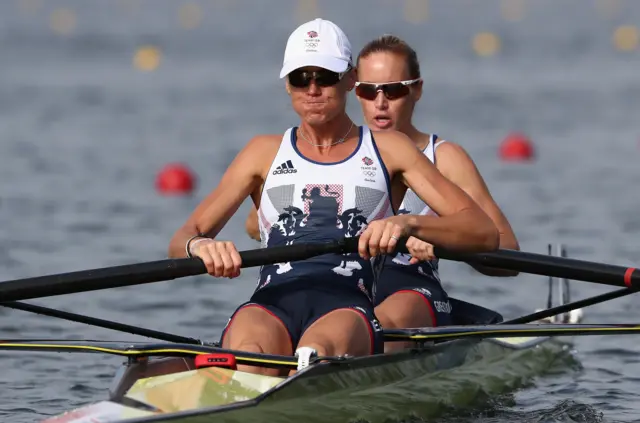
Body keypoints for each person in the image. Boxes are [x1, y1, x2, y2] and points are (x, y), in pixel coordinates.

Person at [169, 19, 499, 376]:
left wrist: (409, 223)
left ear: (349, 79)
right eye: (301, 77)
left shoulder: (390, 150)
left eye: (324, 76)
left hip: (345, 306)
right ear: (287, 84)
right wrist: (200, 246)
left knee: (316, 354)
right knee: (249, 357)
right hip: (270, 303)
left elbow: (483, 232)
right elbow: (182, 239)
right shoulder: (261, 152)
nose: (312, 89)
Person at [353, 35, 521, 352]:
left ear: (416, 89)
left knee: (377, 325)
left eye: (394, 89)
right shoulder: (338, 154)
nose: (380, 103)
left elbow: (508, 253)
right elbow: (256, 224)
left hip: (414, 291)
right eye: (368, 90)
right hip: (349, 286)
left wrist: (437, 235)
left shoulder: (444, 158)